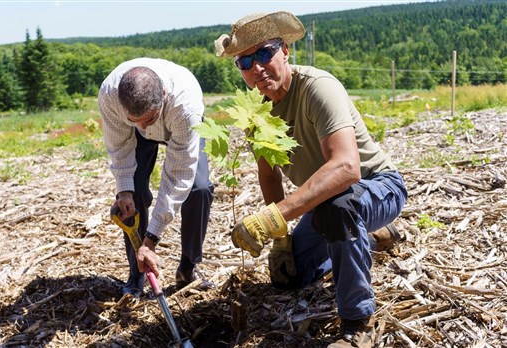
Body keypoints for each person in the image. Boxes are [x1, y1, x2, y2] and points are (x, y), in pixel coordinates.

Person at [214, 11, 408, 348]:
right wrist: (280, 237)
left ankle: (358, 321)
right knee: (288, 275)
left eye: (264, 53)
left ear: (285, 51)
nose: (257, 68)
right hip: (324, 204)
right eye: (245, 61)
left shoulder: (318, 88)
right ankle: (370, 238)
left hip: (378, 187)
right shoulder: (256, 113)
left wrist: (271, 217)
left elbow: (347, 168)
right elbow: (269, 174)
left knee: (340, 207)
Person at [99, 58, 214, 297]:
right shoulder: (110, 96)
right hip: (142, 125)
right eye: (134, 120)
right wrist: (124, 190)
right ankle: (136, 274)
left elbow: (178, 175)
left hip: (177, 126)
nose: (142, 126)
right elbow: (120, 146)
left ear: (163, 95)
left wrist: (151, 239)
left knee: (199, 189)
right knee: (135, 193)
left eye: (148, 120)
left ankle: (188, 269)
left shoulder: (185, 104)